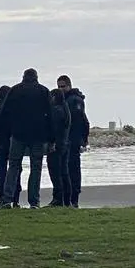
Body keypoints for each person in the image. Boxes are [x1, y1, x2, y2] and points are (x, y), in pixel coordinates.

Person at [0, 69, 53, 210]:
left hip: (18, 134)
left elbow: (4, 113)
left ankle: (7, 200)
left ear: (23, 77)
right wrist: (51, 138)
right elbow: (50, 116)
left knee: (14, 166)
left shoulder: (15, 90)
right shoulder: (43, 91)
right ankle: (34, 202)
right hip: (38, 135)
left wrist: (10, 130)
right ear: (36, 78)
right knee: (36, 168)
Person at [58, 75, 90, 208]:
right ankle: (66, 198)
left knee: (73, 169)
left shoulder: (75, 100)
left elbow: (81, 121)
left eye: (63, 86)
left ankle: (74, 198)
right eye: (59, 86)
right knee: (65, 170)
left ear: (69, 86)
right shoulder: (63, 100)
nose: (61, 89)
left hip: (73, 140)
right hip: (65, 140)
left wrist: (83, 140)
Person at [0, 86, 21, 207]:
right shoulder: (16, 109)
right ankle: (15, 201)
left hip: (0, 143)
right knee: (15, 170)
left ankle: (3, 199)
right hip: (14, 143)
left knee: (1, 173)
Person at [47, 89, 72, 206]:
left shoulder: (56, 111)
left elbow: (54, 129)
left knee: (55, 173)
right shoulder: (65, 109)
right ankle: (67, 200)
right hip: (65, 143)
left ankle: (58, 199)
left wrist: (52, 142)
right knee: (64, 172)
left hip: (57, 145)